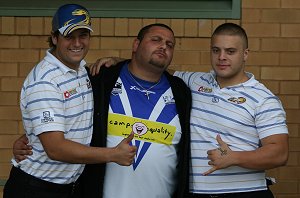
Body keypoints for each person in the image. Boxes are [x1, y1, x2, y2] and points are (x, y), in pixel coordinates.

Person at [90, 22, 289, 197]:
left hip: (243, 193)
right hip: (196, 193)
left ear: (245, 54)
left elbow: (279, 153)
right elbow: (154, 67)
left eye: (230, 51)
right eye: (215, 50)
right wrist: (118, 62)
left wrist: (235, 158)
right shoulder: (195, 82)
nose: (222, 57)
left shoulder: (263, 98)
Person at [11, 23, 192, 198]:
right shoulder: (100, 79)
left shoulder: (182, 91)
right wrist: (32, 135)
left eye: (170, 44)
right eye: (156, 40)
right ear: (136, 45)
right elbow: (60, 111)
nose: (163, 46)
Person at [4, 4, 136, 198]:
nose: (77, 43)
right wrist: (113, 154)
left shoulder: (81, 70)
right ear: (55, 38)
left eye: (83, 35)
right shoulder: (45, 81)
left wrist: (115, 60)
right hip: (36, 188)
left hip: (68, 186)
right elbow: (56, 149)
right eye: (69, 36)